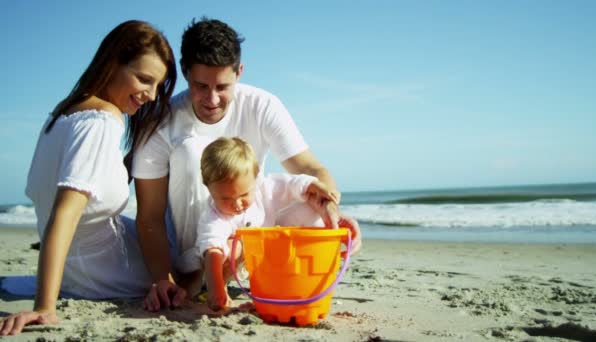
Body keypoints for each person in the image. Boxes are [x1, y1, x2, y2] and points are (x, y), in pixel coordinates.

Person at [132, 17, 362, 312]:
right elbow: (149, 216)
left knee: (312, 204)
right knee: (191, 154)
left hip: (246, 244)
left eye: (223, 86)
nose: (212, 99)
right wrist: (161, 279)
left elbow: (311, 170)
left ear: (239, 73)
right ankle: (195, 278)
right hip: (189, 257)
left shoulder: (262, 105)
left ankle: (264, 278)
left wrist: (332, 209)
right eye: (200, 85)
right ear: (186, 72)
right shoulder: (161, 121)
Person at [0, 20, 177, 336]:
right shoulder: (102, 122)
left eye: (157, 86)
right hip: (106, 271)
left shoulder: (63, 113)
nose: (151, 95)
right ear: (113, 62)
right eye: (144, 79)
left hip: (79, 267)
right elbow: (64, 213)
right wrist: (44, 307)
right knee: (193, 266)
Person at [191, 137, 339, 310]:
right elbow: (212, 251)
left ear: (255, 178)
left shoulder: (263, 189)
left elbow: (290, 184)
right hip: (230, 264)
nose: (237, 204)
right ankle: (221, 286)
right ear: (208, 188)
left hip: (263, 259)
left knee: (310, 209)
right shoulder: (214, 216)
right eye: (225, 198)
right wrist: (215, 290)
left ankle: (293, 274)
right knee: (232, 247)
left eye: (244, 195)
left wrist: (314, 186)